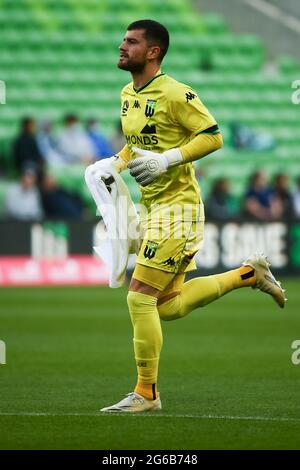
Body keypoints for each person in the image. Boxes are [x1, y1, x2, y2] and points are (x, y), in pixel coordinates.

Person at [88, 20, 285, 413]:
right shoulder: (128, 93)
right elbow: (137, 143)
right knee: (168, 305)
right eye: (123, 39)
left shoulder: (176, 93)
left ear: (153, 52)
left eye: (131, 42)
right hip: (154, 207)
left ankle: (146, 394)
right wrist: (115, 163)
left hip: (179, 211)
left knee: (139, 298)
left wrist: (168, 159)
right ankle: (249, 274)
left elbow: (213, 135)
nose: (122, 46)